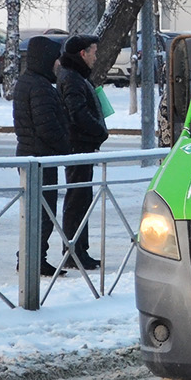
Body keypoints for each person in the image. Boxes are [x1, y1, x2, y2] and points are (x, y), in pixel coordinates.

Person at [12, 35, 71, 277]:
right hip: (39, 158)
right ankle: (33, 259)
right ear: (46, 59)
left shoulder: (29, 82)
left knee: (35, 212)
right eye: (56, 59)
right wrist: (66, 147)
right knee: (43, 213)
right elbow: (47, 127)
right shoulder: (40, 87)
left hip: (31, 155)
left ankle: (32, 257)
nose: (59, 64)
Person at [56, 34, 108, 271]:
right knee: (78, 199)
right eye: (93, 52)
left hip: (82, 146)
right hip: (79, 147)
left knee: (81, 198)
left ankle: (78, 249)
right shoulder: (72, 79)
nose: (95, 57)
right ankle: (74, 251)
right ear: (82, 54)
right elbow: (77, 114)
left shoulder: (76, 76)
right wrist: (99, 131)